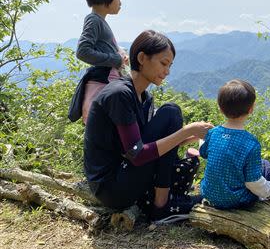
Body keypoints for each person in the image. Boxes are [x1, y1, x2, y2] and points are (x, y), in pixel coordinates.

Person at [83, 30, 213, 221]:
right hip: (112, 188)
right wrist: (187, 130)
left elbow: (146, 145)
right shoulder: (119, 94)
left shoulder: (143, 96)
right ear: (142, 58)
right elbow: (138, 154)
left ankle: (161, 200)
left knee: (170, 113)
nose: (167, 71)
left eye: (169, 65)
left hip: (124, 173)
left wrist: (189, 138)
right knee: (170, 112)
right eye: (163, 63)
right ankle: (162, 206)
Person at [199, 79, 270, 214]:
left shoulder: (213, 134)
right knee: (265, 165)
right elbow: (252, 182)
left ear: (220, 108)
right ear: (251, 109)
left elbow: (203, 152)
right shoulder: (251, 143)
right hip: (237, 201)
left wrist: (202, 137)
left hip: (210, 196)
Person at [71, 0, 129, 124]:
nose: (120, 3)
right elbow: (83, 51)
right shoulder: (94, 20)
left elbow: (103, 46)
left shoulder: (99, 20)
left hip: (107, 81)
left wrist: (120, 56)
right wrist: (115, 59)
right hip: (102, 83)